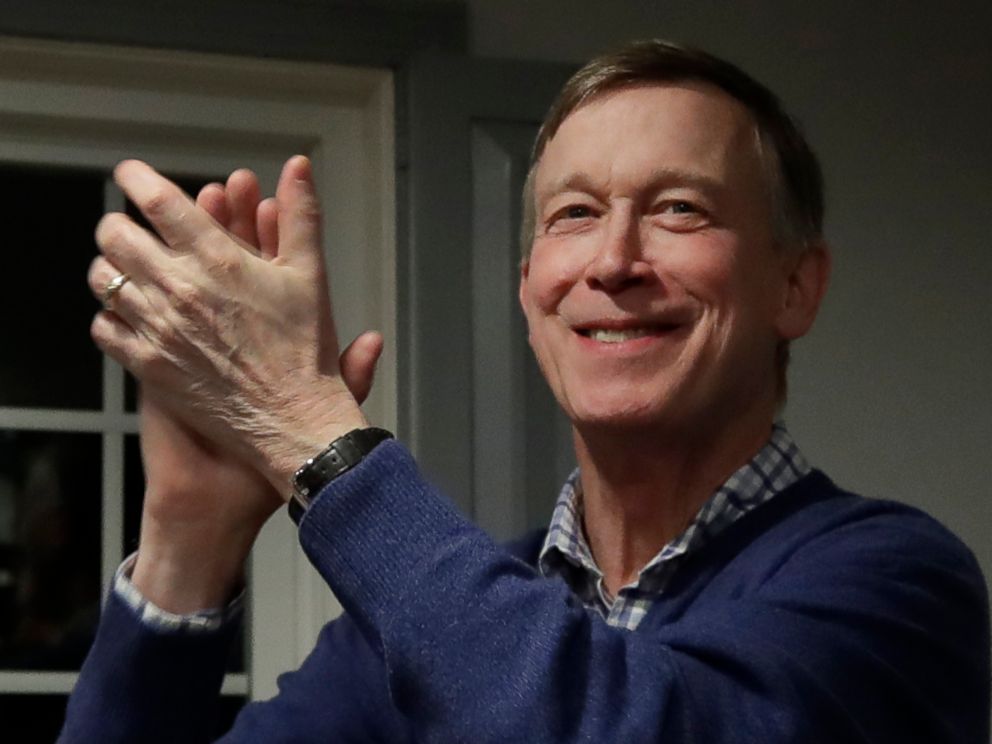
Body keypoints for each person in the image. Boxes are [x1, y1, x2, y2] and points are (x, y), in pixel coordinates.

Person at [61, 40, 988, 742]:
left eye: (680, 209)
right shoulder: (414, 629)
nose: (614, 262)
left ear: (796, 285)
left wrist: (311, 435)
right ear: (529, 286)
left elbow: (618, 721)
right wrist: (188, 537)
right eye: (573, 215)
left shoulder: (895, 583)